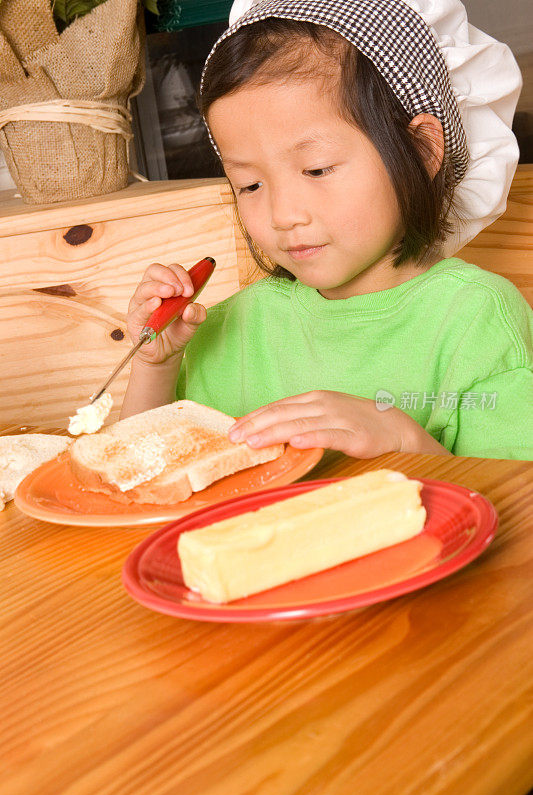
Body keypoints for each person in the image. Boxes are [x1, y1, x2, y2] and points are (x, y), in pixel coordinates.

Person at [121, 0, 533, 460]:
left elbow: (514, 506)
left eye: (316, 170)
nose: (283, 214)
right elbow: (138, 464)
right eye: (249, 183)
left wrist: (405, 440)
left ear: (420, 151)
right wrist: (155, 365)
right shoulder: (229, 328)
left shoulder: (474, 319)